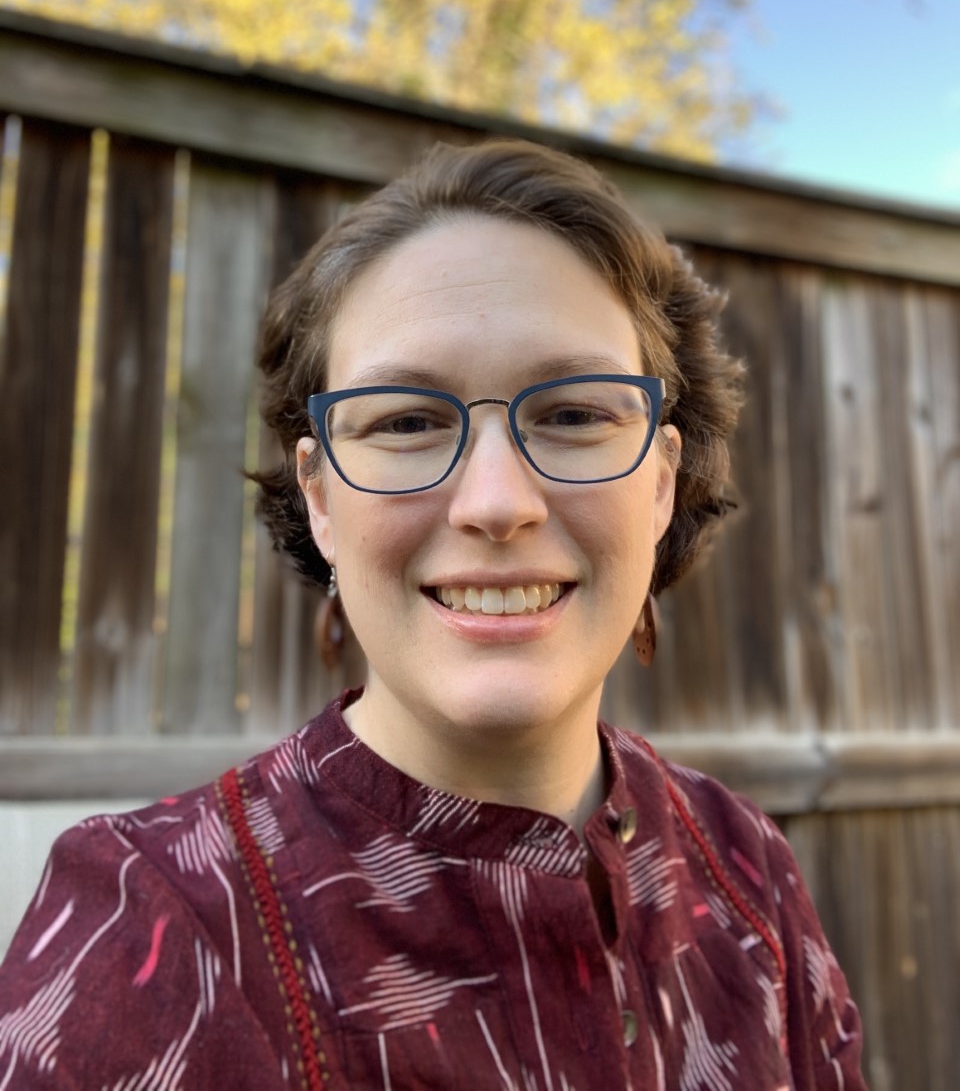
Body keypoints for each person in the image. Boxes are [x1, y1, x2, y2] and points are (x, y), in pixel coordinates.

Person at [0, 139, 867, 1089]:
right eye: (407, 421)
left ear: (660, 486)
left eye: (574, 414)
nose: (496, 502)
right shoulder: (152, 928)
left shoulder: (747, 865)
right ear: (322, 499)